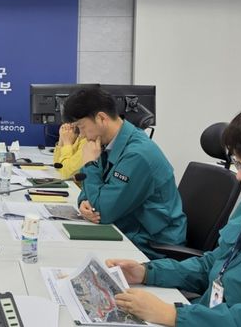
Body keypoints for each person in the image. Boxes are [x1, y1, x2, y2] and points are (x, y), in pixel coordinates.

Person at [108, 99, 241, 326]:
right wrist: (146, 273)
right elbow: (212, 265)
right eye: (237, 164)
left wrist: (173, 315)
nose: (239, 176)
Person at [63, 87, 186, 259]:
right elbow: (95, 193)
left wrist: (89, 164)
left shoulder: (137, 155)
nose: (82, 135)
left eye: (81, 127)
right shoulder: (107, 143)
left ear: (101, 118)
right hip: (127, 230)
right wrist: (83, 201)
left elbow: (103, 212)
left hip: (150, 246)